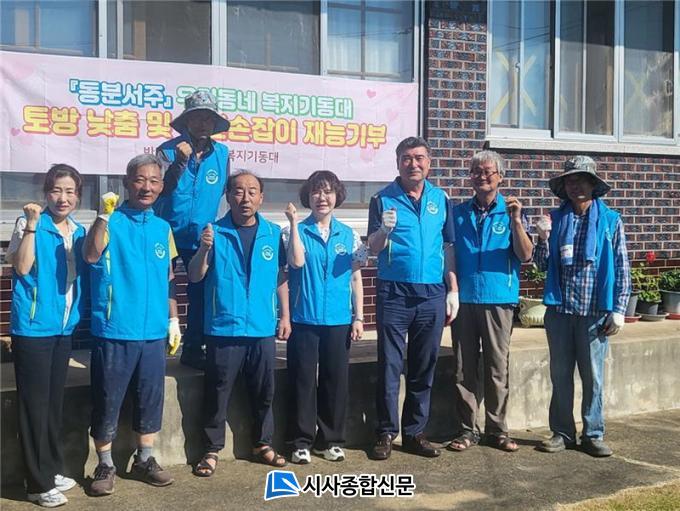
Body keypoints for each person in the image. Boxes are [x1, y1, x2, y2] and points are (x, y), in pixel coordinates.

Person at [83, 154, 182, 496]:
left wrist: (173, 320)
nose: (147, 187)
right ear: (127, 183)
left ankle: (145, 458)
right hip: (115, 329)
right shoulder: (110, 221)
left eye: (154, 181)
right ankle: (105, 463)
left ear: (161, 186)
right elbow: (91, 256)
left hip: (153, 332)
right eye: (140, 179)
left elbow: (169, 279)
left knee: (150, 398)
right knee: (108, 399)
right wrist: (102, 217)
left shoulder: (162, 228)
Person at [189, 171, 291, 477]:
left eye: (252, 192)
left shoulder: (273, 233)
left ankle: (263, 444)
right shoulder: (213, 232)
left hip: (261, 327)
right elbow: (195, 275)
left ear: (261, 197)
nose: (245, 198)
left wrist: (285, 316)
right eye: (238, 191)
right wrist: (204, 249)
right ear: (228, 196)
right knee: (218, 391)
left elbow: (281, 278)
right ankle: (211, 449)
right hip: (224, 326)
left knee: (264, 391)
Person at [367, 136, 458, 460]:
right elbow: (372, 248)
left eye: (419, 158)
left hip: (432, 292)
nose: (413, 164)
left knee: (423, 366)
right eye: (406, 158)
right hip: (394, 291)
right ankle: (386, 432)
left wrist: (453, 290)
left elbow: (448, 247)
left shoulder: (441, 198)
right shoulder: (381, 199)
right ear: (397, 163)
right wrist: (383, 231)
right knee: (390, 365)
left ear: (428, 163)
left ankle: (415, 433)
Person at [534, 155, 631, 457]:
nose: (575, 186)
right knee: (560, 376)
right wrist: (542, 238)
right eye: (570, 181)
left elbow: (622, 267)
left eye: (581, 180)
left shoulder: (610, 221)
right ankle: (562, 432)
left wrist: (619, 309)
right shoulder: (555, 219)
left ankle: (593, 434)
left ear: (593, 185)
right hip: (560, 312)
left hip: (594, 312)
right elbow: (541, 265)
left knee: (593, 378)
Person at [7, 164, 86, 507]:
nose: (62, 198)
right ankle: (36, 484)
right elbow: (21, 267)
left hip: (63, 328)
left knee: (53, 404)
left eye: (70, 191)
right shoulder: (28, 223)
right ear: (46, 193)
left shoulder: (79, 230)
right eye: (56, 190)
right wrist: (31, 226)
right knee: (34, 407)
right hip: (33, 329)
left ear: (78, 195)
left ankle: (50, 469)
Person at [448, 151, 533, 453]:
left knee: (497, 367)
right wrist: (451, 291)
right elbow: (449, 252)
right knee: (463, 367)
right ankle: (467, 429)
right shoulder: (457, 213)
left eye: (488, 171)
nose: (482, 176)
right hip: (465, 298)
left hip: (499, 298)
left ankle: (497, 430)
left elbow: (525, 254)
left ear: (500, 177)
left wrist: (516, 221)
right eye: (476, 171)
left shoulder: (512, 210)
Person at [283, 171, 367, 464]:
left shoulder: (349, 234)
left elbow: (356, 278)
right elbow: (296, 262)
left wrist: (359, 317)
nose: (322, 197)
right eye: (316, 192)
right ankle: (301, 441)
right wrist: (295, 224)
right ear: (307, 196)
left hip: (338, 320)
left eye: (328, 191)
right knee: (303, 381)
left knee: (335, 381)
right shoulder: (294, 231)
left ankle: (331, 440)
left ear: (337, 196)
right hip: (304, 318)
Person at [155, 90, 231, 370]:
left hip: (202, 235)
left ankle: (194, 347)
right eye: (197, 117)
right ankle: (156, 346)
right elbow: (161, 190)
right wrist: (179, 162)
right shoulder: (166, 150)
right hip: (167, 230)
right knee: (161, 286)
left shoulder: (222, 154)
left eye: (208, 118)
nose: (202, 124)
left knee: (200, 291)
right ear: (186, 121)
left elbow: (224, 194)